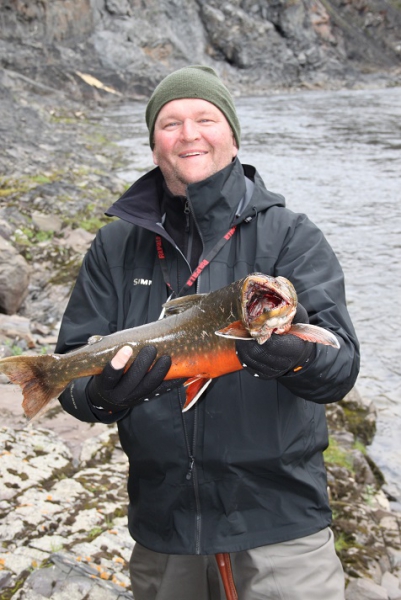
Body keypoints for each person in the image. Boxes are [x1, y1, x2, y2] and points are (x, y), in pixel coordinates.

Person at [55, 65, 360, 600]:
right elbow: (72, 374)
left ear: (233, 137)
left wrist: (296, 356)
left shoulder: (292, 235)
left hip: (280, 524)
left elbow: (341, 365)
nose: (189, 134)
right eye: (171, 123)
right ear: (154, 145)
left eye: (206, 118)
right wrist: (103, 394)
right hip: (164, 527)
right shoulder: (114, 246)